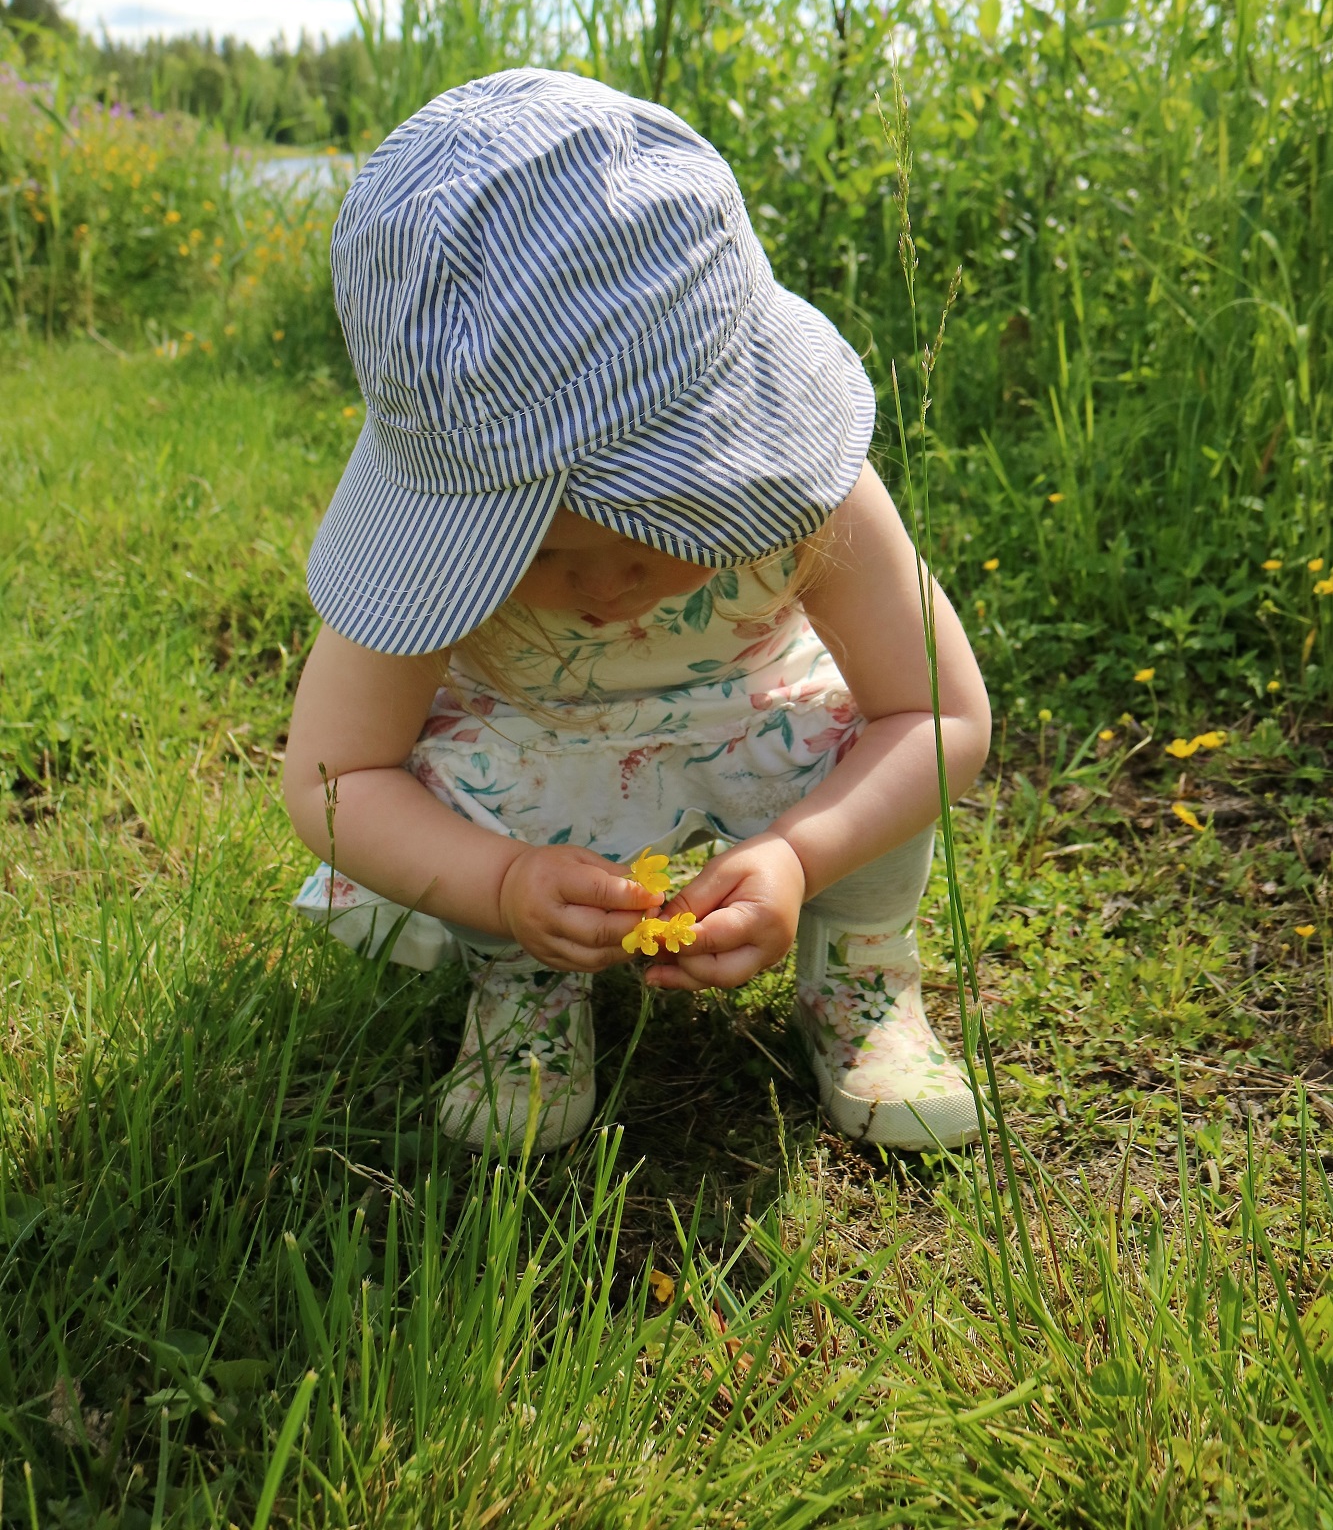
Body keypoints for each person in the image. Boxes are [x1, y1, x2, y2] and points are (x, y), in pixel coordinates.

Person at [284, 69, 991, 1155]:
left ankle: (858, 974)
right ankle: (521, 987)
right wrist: (504, 882)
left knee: (861, 744)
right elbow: (336, 776)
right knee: (469, 790)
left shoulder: (813, 498)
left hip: (757, 722)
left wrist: (802, 857)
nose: (605, 588)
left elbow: (938, 716)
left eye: (660, 520)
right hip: (537, 752)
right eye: (538, 550)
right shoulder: (427, 553)